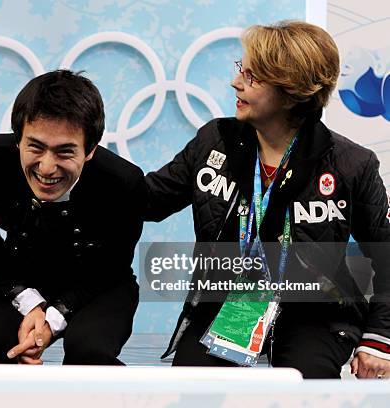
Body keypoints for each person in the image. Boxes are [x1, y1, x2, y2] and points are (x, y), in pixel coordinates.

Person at [145, 21, 390, 379]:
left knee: (306, 387)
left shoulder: (352, 164)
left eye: (253, 76)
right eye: (240, 69)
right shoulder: (215, 140)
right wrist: (81, 157)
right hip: (226, 310)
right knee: (194, 390)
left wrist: (379, 338)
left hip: (314, 314)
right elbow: (147, 200)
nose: (236, 82)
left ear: (292, 92)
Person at [0, 70, 145, 365]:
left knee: (89, 352)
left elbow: (111, 264)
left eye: (64, 152)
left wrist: (51, 321)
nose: (46, 168)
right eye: (35, 147)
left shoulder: (124, 182)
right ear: (18, 139)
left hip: (99, 282)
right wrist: (30, 304)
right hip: (19, 275)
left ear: (90, 150)